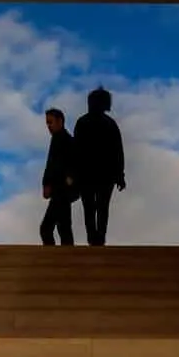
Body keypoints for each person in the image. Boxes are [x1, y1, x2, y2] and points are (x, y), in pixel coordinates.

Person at [71, 86, 125, 246]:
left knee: (90, 208)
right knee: (102, 208)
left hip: (87, 175)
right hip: (105, 176)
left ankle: (93, 238)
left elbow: (76, 153)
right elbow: (118, 152)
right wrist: (120, 175)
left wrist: (74, 176)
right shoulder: (110, 124)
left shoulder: (82, 122)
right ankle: (99, 239)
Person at [38, 108, 78, 246]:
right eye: (47, 123)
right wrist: (46, 184)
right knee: (63, 227)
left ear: (60, 121)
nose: (48, 126)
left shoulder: (65, 140)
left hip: (62, 190)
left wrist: (70, 177)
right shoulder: (58, 139)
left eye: (50, 122)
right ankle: (64, 261)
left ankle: (58, 261)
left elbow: (57, 165)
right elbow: (51, 165)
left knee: (47, 228)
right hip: (60, 190)